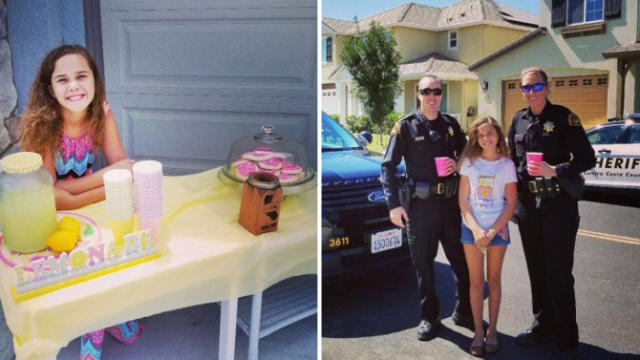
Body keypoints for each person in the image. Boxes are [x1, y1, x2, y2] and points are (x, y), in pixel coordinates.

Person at [19, 44, 143, 360]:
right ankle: (93, 328)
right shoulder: (41, 125)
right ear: (50, 88)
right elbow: (48, 194)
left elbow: (123, 168)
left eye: (81, 76)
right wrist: (105, 181)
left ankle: (112, 311)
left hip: (85, 205)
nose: (74, 86)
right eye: (62, 80)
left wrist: (82, 191)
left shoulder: (101, 112)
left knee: (120, 242)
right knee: (83, 258)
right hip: (48, 214)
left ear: (94, 80)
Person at [380, 74, 477, 341]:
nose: (432, 96)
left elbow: (468, 153)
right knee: (424, 266)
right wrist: (393, 206)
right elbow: (387, 166)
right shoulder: (406, 127)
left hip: (449, 206)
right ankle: (429, 317)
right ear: (418, 94)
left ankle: (464, 311)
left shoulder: (450, 125)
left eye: (437, 91)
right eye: (427, 91)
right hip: (420, 209)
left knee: (460, 262)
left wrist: (457, 165)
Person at [508, 66, 595, 360]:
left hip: (558, 206)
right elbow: (512, 163)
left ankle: (567, 336)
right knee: (536, 269)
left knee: (559, 272)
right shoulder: (517, 120)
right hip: (529, 208)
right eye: (525, 87)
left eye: (535, 86)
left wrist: (554, 170)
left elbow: (587, 158)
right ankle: (542, 325)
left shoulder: (563, 118)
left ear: (547, 87)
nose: (530, 92)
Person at [458, 116, 517, 356]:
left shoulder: (507, 165)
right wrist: (475, 229)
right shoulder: (469, 163)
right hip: (471, 228)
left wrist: (492, 231)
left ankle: (492, 331)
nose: (486, 138)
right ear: (475, 138)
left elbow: (511, 202)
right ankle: (478, 333)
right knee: (475, 282)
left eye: (490, 133)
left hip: (497, 229)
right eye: (481, 135)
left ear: (498, 135)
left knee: (493, 281)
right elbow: (463, 199)